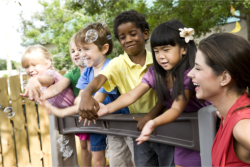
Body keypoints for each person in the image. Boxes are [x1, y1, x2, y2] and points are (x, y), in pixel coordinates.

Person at [98, 20, 211, 167]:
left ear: (183, 49)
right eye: (156, 51)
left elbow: (176, 108)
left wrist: (152, 121)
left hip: (204, 128)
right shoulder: (155, 73)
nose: (160, 56)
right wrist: (107, 108)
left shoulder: (188, 75)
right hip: (183, 132)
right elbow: (132, 95)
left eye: (166, 49)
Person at [78, 10, 175, 167]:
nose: (128, 39)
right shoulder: (117, 64)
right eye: (122, 37)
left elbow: (167, 96)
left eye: (132, 34)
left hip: (165, 125)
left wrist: (151, 116)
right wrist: (86, 94)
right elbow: (99, 80)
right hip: (138, 126)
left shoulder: (159, 59)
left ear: (145, 33)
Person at [187, 33, 250, 167]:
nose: (190, 73)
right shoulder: (227, 114)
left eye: (198, 68)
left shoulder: (242, 126)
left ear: (224, 78)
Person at [38, 34, 92, 167]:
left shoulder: (96, 70)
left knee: (95, 148)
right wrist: (41, 96)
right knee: (84, 146)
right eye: (73, 51)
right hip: (81, 115)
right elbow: (57, 87)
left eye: (81, 49)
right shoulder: (72, 74)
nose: (77, 54)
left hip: (97, 113)